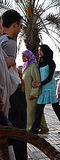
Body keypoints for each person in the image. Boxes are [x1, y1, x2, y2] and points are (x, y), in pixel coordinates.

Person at [0, 10, 28, 160]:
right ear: (15, 24)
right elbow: (5, 65)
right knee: (19, 133)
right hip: (13, 96)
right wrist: (12, 61)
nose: (20, 29)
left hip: (6, 96)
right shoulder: (9, 42)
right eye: (20, 25)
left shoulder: (2, 40)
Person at [30, 45, 60, 134]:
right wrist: (35, 82)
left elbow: (49, 77)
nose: (39, 52)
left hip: (51, 88)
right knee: (39, 109)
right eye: (39, 50)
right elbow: (38, 75)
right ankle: (34, 130)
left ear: (45, 51)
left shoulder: (51, 62)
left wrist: (40, 83)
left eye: (41, 50)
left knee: (56, 108)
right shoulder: (40, 63)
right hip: (42, 89)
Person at [21, 50, 48, 132]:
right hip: (26, 93)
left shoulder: (33, 67)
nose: (22, 58)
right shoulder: (26, 67)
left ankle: (29, 129)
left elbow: (36, 80)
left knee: (30, 112)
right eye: (22, 56)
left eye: (24, 56)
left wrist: (33, 93)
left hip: (32, 94)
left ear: (29, 56)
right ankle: (44, 127)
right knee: (36, 111)